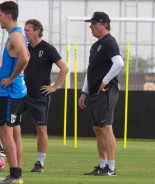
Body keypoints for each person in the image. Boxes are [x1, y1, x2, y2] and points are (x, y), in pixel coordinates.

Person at [79, 11, 124, 176]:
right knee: (98, 128)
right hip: (95, 92)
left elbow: (119, 63)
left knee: (105, 128)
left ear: (104, 24)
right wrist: (84, 91)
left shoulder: (109, 42)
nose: (90, 26)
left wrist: (105, 80)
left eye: (93, 23)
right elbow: (91, 71)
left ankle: (111, 168)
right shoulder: (96, 45)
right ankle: (103, 165)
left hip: (106, 90)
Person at [23, 19, 69, 173]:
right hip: (21, 93)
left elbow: (64, 68)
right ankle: (6, 154)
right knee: (7, 123)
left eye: (28, 30)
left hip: (39, 96)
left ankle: (39, 163)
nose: (25, 33)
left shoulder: (47, 48)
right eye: (25, 30)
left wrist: (55, 87)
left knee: (41, 128)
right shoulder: (24, 47)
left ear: (37, 30)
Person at [0, 1, 30, 183]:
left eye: (0, 15)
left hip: (10, 92)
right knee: (14, 132)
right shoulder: (17, 35)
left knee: (5, 132)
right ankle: (16, 173)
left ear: (8, 15)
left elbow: (25, 57)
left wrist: (11, 78)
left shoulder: (15, 35)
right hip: (15, 92)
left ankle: (15, 175)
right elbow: (27, 55)